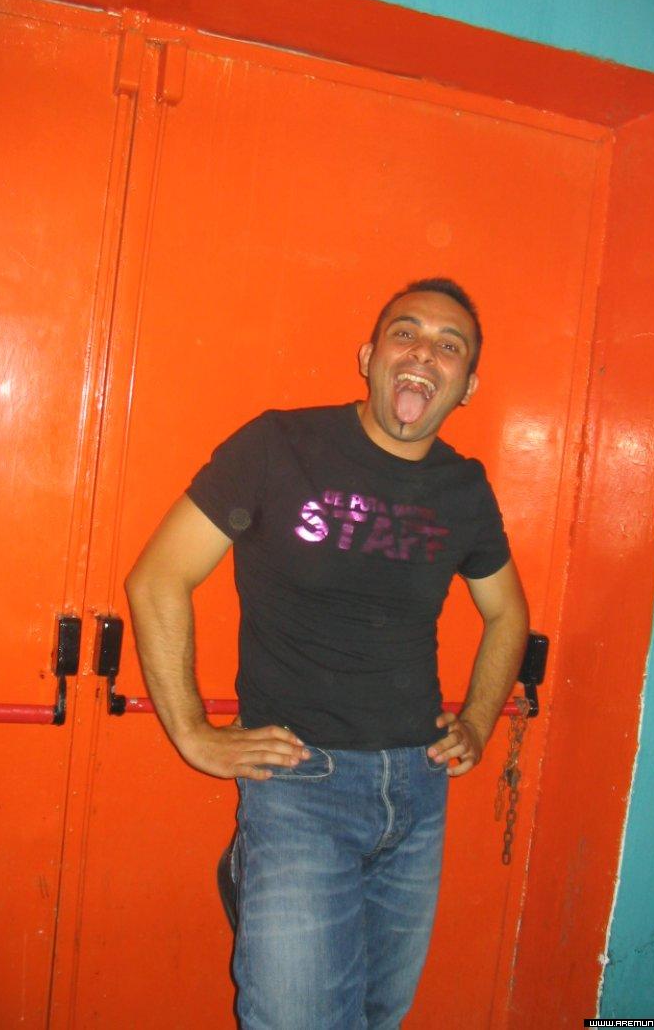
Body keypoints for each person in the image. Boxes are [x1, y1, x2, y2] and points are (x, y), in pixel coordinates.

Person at [125, 277, 529, 1030]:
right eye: (405, 333)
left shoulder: (463, 488)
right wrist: (192, 733)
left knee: (377, 1017)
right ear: (370, 357)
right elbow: (157, 578)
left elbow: (507, 613)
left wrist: (478, 720)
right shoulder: (279, 447)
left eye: (449, 346)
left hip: (418, 789)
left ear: (467, 387)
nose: (424, 353)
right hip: (301, 787)